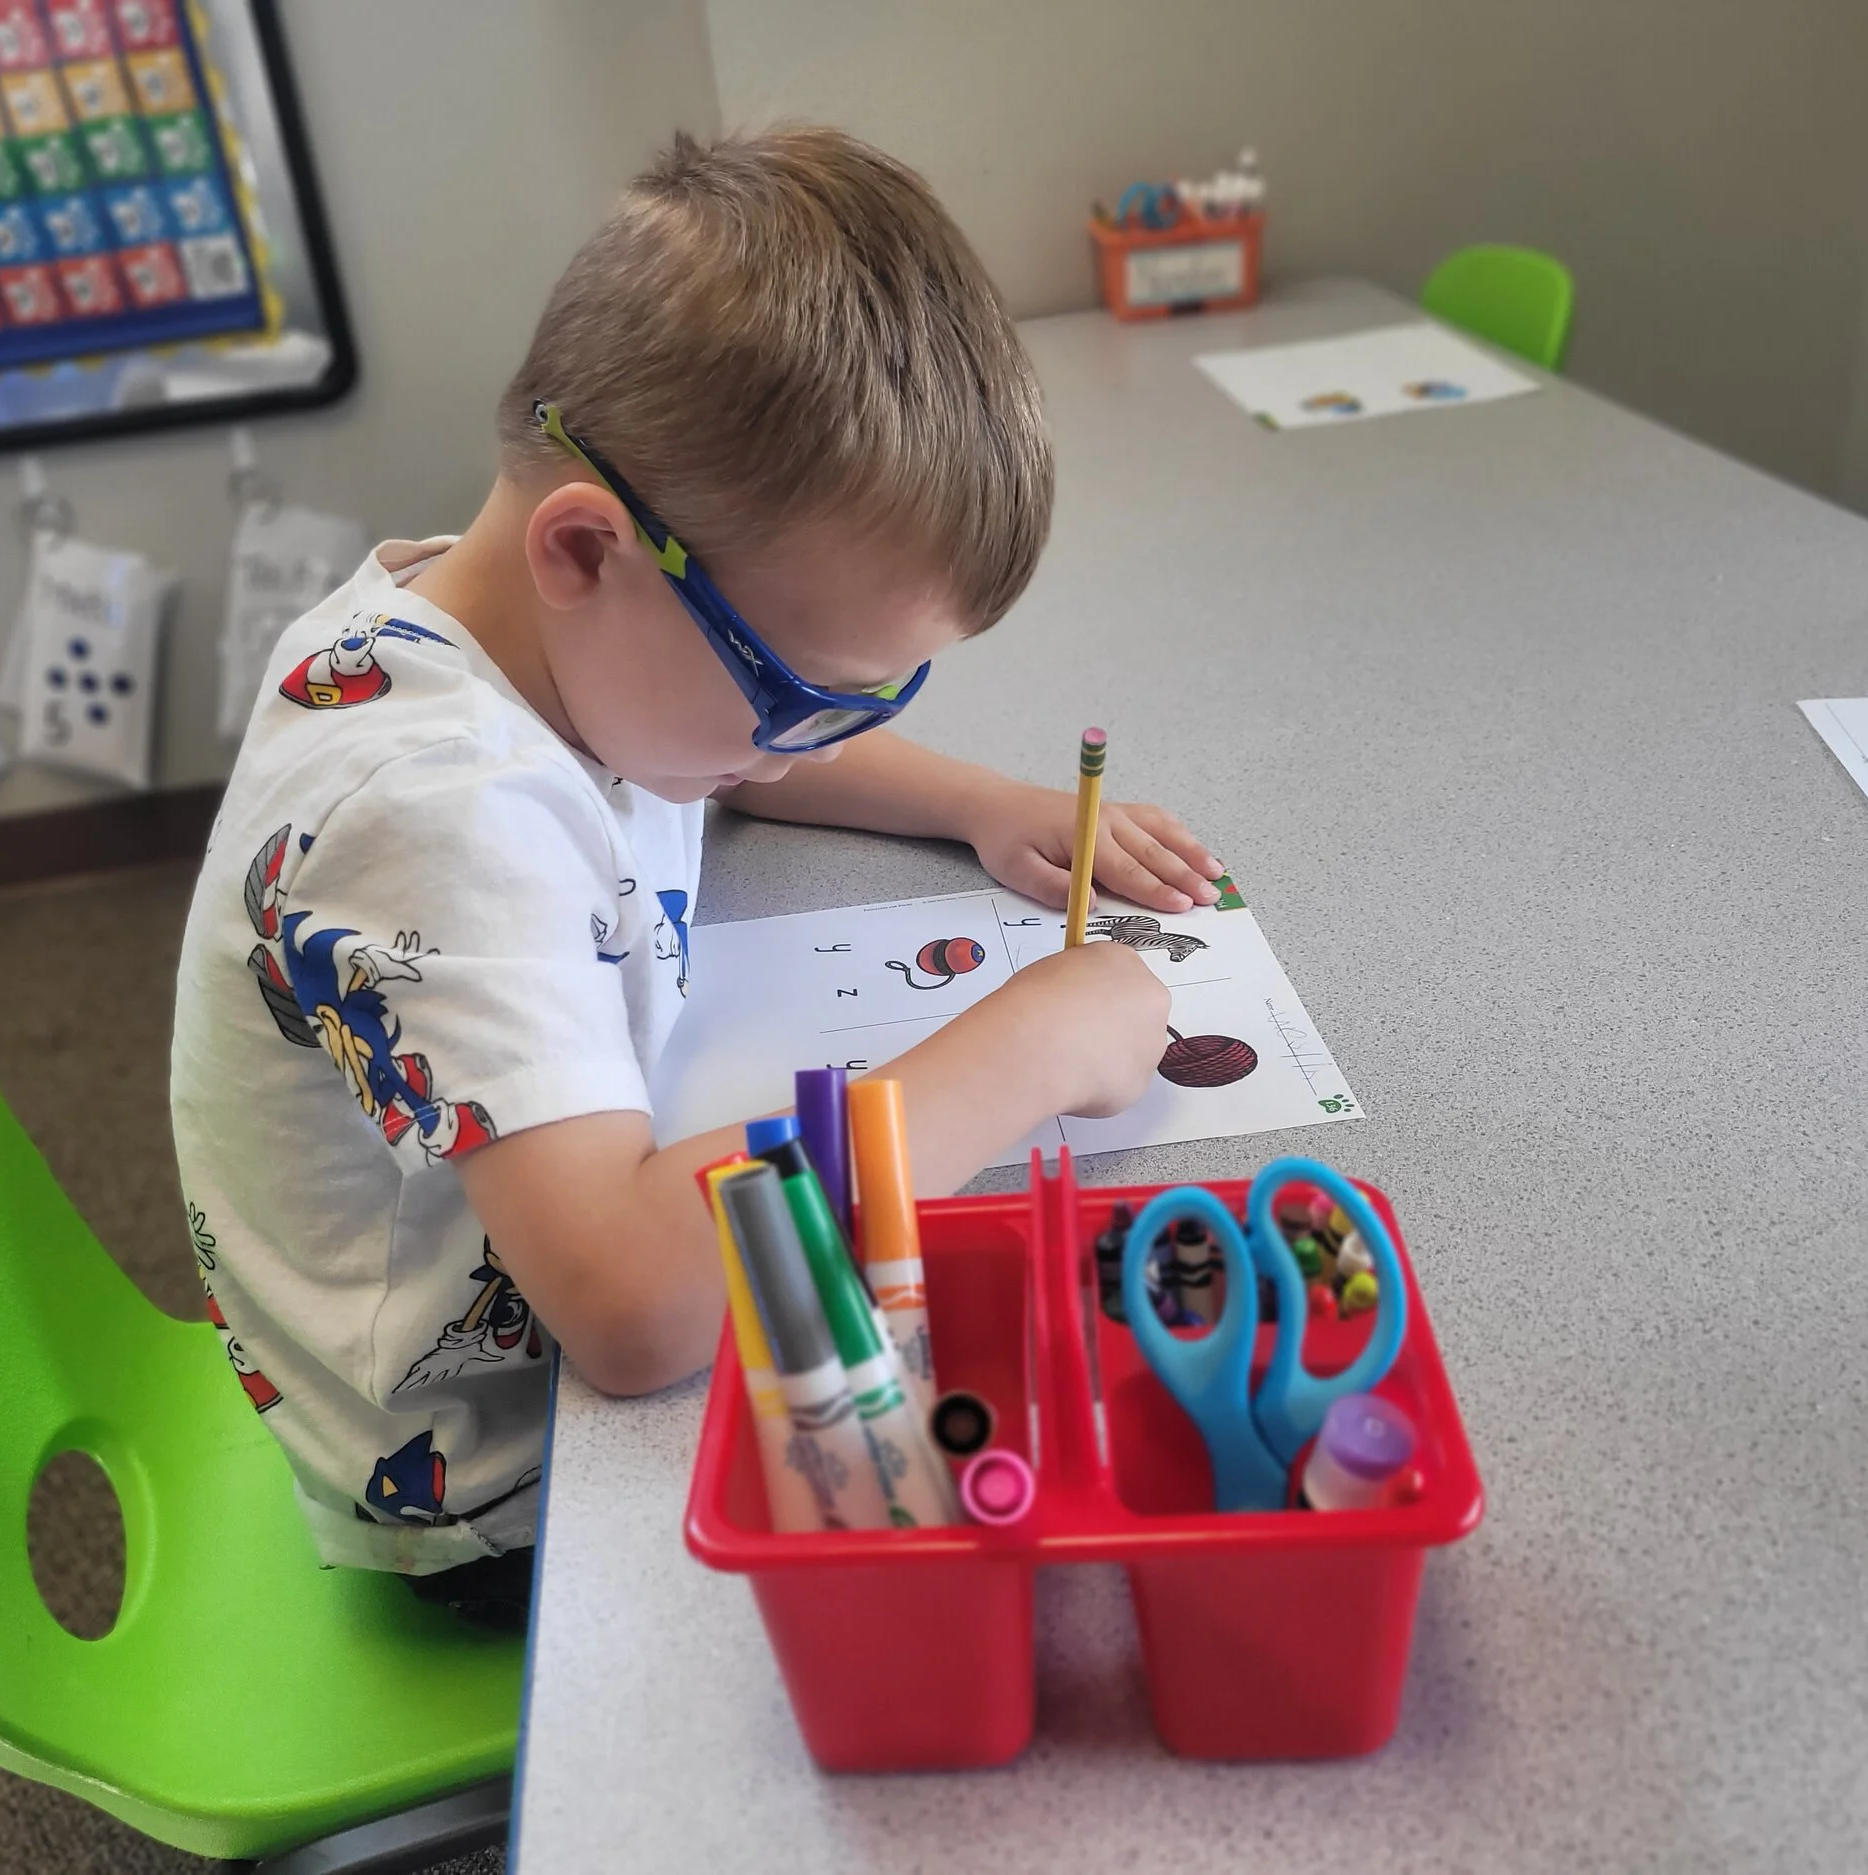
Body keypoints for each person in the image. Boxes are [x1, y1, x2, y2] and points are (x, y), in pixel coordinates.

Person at [169, 127, 1219, 1622]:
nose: (801, 757)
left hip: (529, 1308)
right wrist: (1034, 1047)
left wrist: (977, 802)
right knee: (1031, 1531)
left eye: (870, 702)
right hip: (493, 1487)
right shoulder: (433, 808)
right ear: (588, 551)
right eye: (807, 699)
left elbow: (694, 743)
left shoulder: (509, 632)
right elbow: (635, 1309)